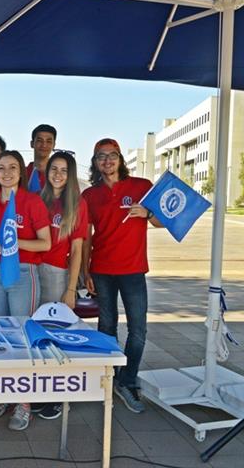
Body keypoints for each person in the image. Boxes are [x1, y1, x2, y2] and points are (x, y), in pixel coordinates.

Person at [82, 138, 162, 414]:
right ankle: (108, 378)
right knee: (107, 327)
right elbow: (86, 237)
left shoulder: (141, 186)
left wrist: (147, 212)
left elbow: (163, 220)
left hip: (133, 270)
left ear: (120, 159)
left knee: (138, 330)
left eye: (112, 155)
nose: (107, 160)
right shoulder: (90, 195)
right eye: (101, 156)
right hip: (102, 270)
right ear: (95, 163)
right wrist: (85, 271)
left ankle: (127, 381)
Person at [0, 151, 51, 431]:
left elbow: (45, 243)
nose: (7, 172)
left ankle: (24, 402)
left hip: (23, 272)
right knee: (0, 336)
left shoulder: (32, 202)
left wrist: (14, 242)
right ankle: (3, 393)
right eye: (1, 168)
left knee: (22, 338)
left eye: (12, 167)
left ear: (21, 171)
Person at [33, 150, 88, 421]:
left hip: (56, 274)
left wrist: (70, 289)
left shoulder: (77, 204)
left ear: (71, 175)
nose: (58, 174)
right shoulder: (37, 199)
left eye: (64, 170)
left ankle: (57, 395)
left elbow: (77, 250)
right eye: (54, 169)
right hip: (32, 271)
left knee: (55, 334)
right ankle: (37, 389)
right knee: (35, 333)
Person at [27, 124, 57, 193]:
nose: (44, 145)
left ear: (54, 145)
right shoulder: (20, 174)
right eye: (39, 140)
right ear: (32, 143)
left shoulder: (59, 176)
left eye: (48, 141)